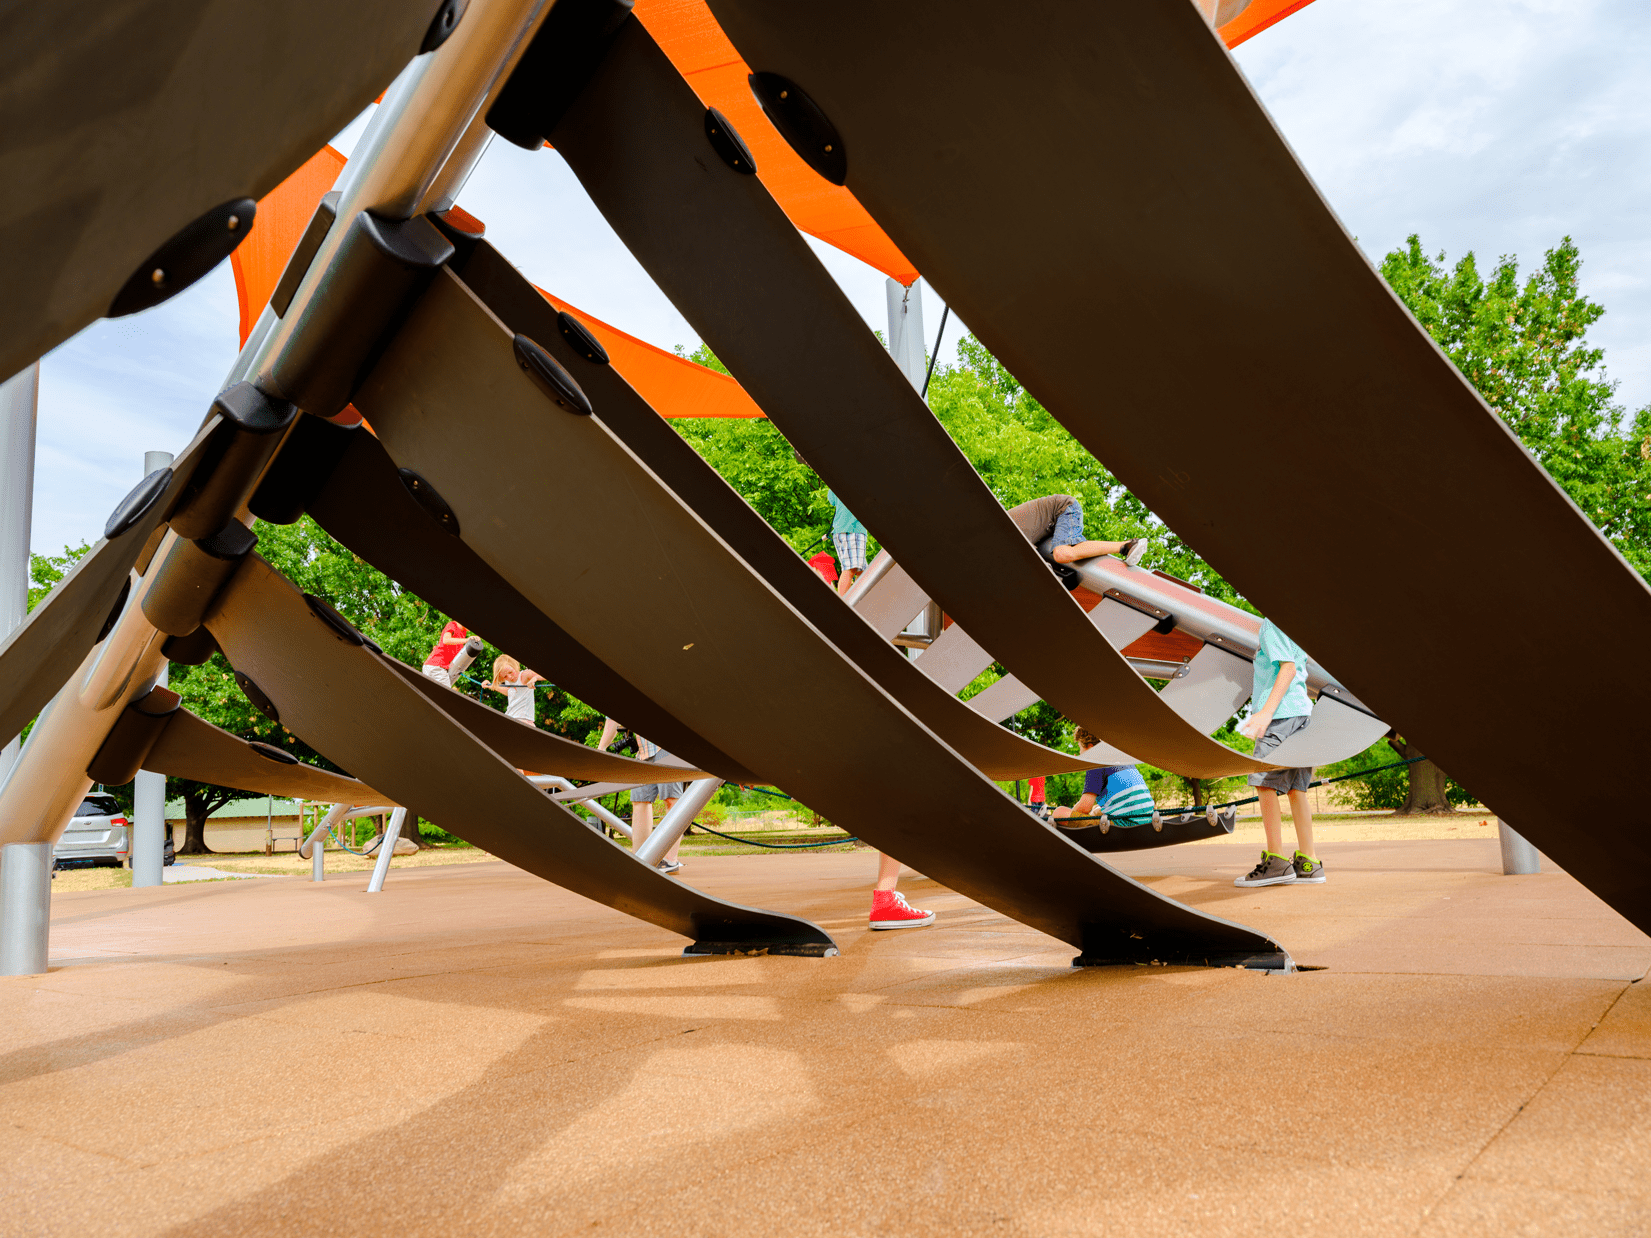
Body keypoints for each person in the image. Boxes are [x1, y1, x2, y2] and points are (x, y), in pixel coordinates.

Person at [1232, 618, 1323, 887]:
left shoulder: (1272, 624)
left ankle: (1277, 862)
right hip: (1301, 713)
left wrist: (1265, 713)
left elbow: (1287, 669)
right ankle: (1309, 862)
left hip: (1281, 715)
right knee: (1296, 789)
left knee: (1264, 783)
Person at [598, 718, 687, 874]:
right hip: (644, 750)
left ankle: (670, 861)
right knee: (639, 801)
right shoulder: (617, 695)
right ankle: (641, 858)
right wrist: (601, 749)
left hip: (667, 745)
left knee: (671, 800)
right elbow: (611, 721)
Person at [1049, 728, 1158, 827]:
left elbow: (1084, 806)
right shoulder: (1122, 759)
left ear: (1090, 747)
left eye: (1080, 748)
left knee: (1059, 812)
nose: (1079, 753)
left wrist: (1071, 815)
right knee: (1097, 809)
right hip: (1147, 821)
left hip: (1125, 825)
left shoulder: (1096, 761)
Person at [1013, 494, 1148, 566]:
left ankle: (1126, 545)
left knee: (1062, 553)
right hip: (1051, 523)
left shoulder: (1002, 536)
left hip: (1063, 507)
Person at [827, 489, 867, 597]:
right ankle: (844, 606)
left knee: (862, 572)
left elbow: (831, 500)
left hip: (839, 531)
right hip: (852, 529)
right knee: (850, 569)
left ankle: (860, 603)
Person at [488, 655, 545, 726]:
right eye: (505, 676)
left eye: (510, 672)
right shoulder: (508, 682)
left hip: (523, 719)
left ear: (515, 666)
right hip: (509, 716)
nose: (509, 677)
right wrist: (491, 686)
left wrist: (535, 678)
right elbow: (509, 692)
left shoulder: (524, 675)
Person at [421, 619, 469, 687]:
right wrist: (466, 640)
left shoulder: (463, 633)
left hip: (433, 667)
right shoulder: (452, 625)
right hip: (436, 666)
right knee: (446, 694)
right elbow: (446, 640)